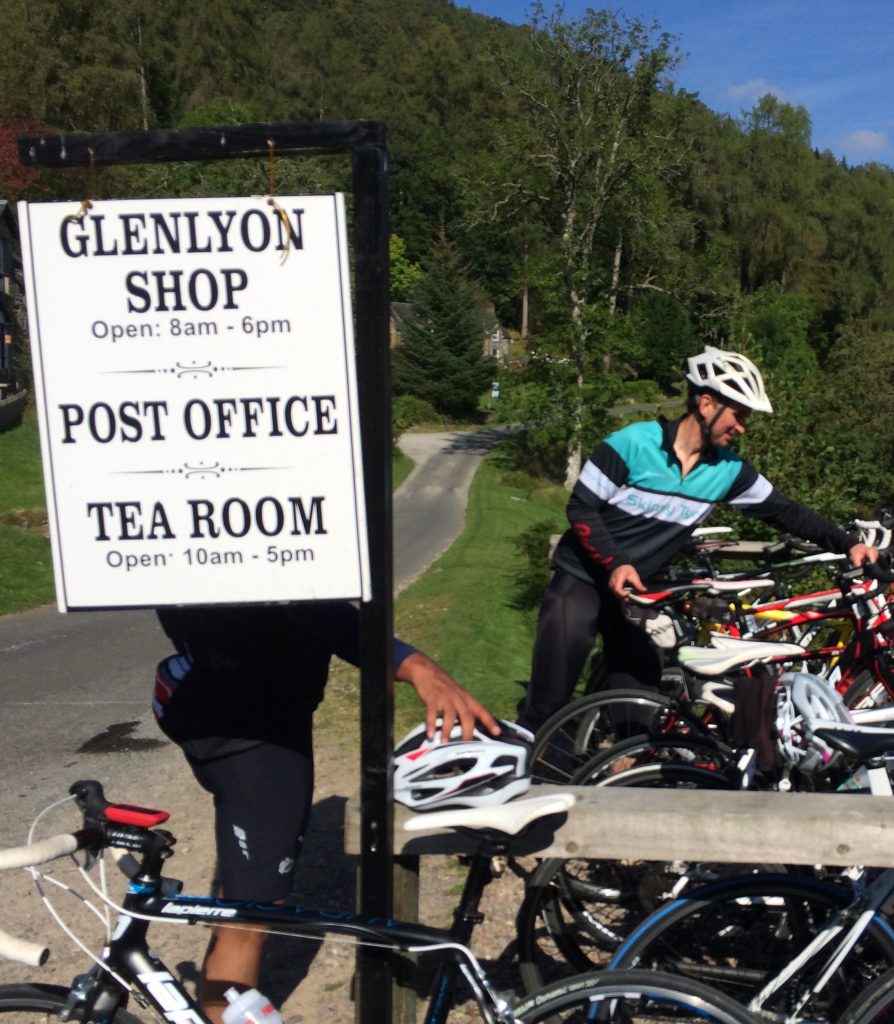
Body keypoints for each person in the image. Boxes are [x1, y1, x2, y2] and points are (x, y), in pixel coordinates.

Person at [152, 600, 498, 1024]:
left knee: (245, 901)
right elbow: (311, 608)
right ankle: (221, 1010)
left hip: (230, 704)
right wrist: (414, 666)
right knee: (251, 913)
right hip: (250, 728)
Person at [517, 346, 878, 733]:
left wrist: (846, 543)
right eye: (738, 415)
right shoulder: (633, 443)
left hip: (642, 591)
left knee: (639, 704)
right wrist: (615, 561)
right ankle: (528, 771)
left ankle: (620, 773)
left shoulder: (727, 471)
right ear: (706, 404)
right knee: (548, 702)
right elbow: (582, 508)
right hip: (582, 580)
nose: (742, 427)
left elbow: (786, 511)